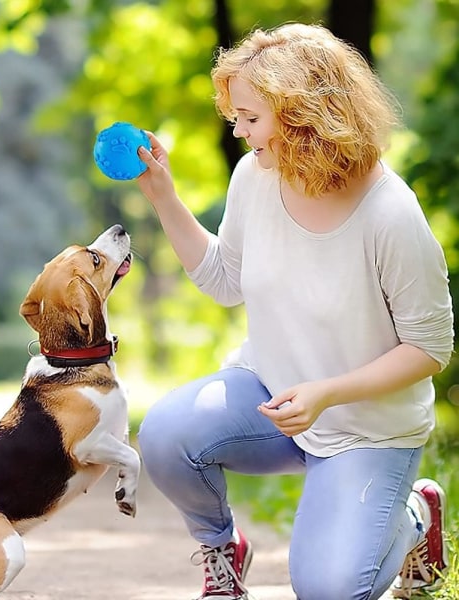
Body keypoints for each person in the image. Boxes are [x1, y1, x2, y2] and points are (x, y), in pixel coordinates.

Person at [134, 22, 454, 600]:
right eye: (235, 117)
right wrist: (164, 196)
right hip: (272, 396)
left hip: (367, 430)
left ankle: (415, 518)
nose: (238, 132)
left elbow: (430, 350)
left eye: (251, 118)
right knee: (164, 434)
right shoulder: (255, 177)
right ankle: (222, 549)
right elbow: (224, 280)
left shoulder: (391, 215)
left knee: (330, 591)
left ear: (305, 114)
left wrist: (326, 393)